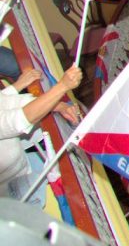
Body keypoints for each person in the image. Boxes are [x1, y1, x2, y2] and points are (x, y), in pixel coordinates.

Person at [1, 65, 82, 198]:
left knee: (75, 163)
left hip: (20, 164)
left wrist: (57, 105)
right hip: (11, 192)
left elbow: (5, 103)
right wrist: (62, 87)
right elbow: (19, 120)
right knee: (75, 179)